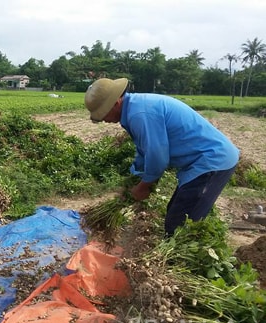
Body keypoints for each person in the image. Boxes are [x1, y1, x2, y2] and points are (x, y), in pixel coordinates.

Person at [84, 77, 240, 236]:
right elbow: (144, 150)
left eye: (103, 113)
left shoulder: (139, 114)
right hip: (202, 161)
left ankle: (179, 259)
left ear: (116, 103)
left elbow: (157, 156)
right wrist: (137, 177)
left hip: (212, 161)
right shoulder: (135, 107)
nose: (103, 119)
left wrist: (144, 186)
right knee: (176, 213)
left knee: (180, 226)